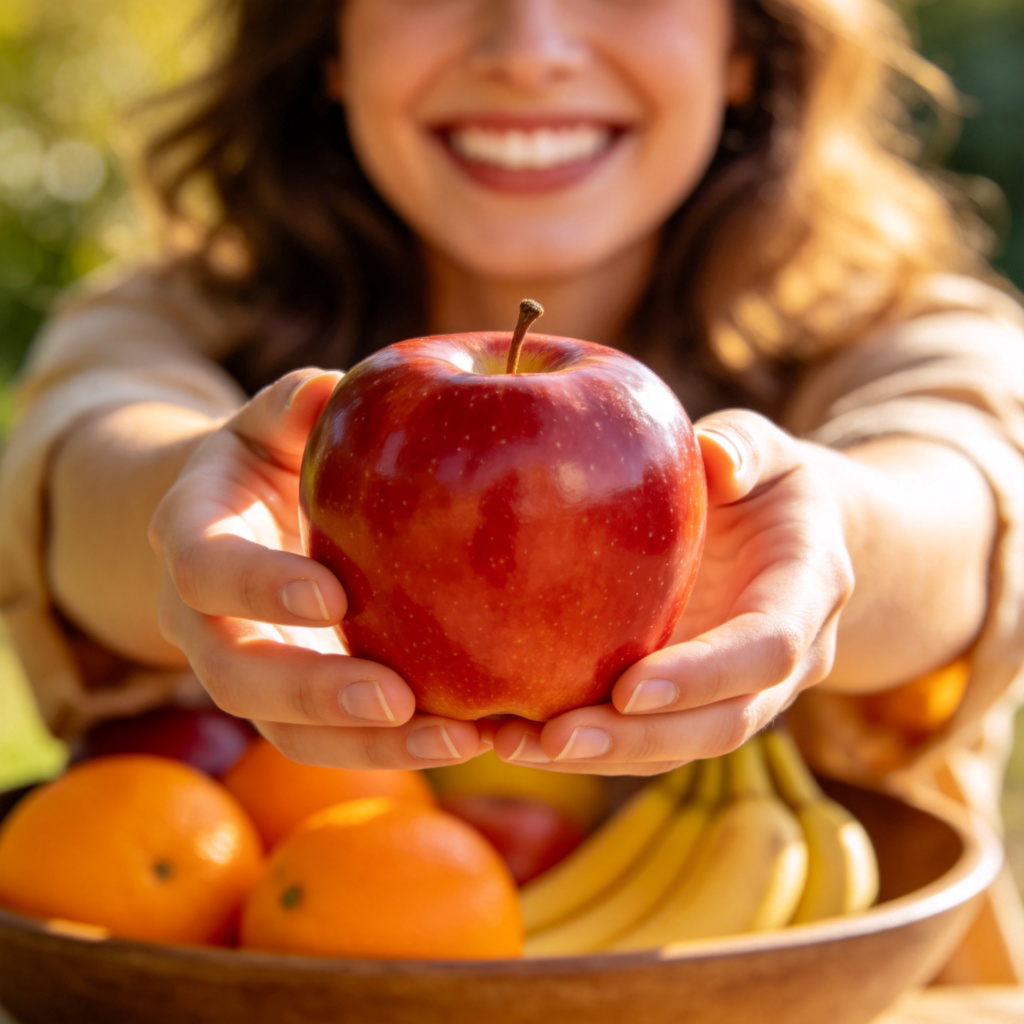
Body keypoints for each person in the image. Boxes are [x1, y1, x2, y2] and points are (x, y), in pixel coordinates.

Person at [1, 0, 1022, 981]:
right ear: (328, 40)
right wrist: (191, 512)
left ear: (743, 46)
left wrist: (833, 535)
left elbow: (965, 486)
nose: (527, 47)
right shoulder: (181, 318)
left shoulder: (895, 327)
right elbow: (82, 453)